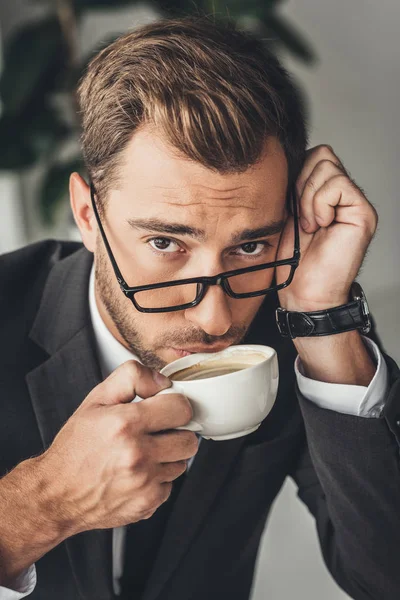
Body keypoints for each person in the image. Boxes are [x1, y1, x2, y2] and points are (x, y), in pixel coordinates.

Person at [0, 16, 399, 600]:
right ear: (88, 215)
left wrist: (323, 317)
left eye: (250, 245)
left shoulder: (294, 333)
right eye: (166, 244)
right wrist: (43, 506)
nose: (216, 322)